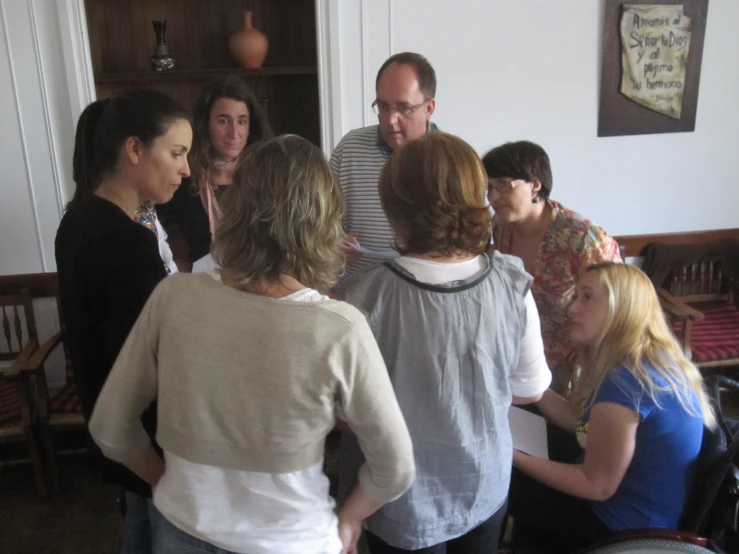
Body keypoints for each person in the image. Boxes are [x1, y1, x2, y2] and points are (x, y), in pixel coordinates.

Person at [88, 135, 416, 554]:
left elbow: (109, 427)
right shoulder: (339, 327)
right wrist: (351, 517)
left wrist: (163, 480)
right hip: (293, 540)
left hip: (182, 528)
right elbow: (396, 466)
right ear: (323, 219)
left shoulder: (173, 297)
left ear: (237, 208)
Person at [338, 132, 552, 553]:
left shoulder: (368, 299)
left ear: (395, 207)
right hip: (485, 484)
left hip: (402, 500)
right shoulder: (511, 283)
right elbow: (530, 389)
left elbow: (348, 416)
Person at [55, 89, 192, 554]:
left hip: (111, 420)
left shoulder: (76, 220)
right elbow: (159, 359)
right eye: (176, 153)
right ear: (134, 150)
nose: (185, 169)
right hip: (146, 435)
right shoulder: (128, 244)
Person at [509, 262, 717, 553]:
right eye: (576, 296)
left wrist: (507, 453)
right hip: (632, 504)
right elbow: (579, 421)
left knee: (512, 485)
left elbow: (596, 485)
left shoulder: (627, 381)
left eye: (587, 297)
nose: (572, 309)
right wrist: (529, 383)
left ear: (622, 309)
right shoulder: (645, 357)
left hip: (624, 529)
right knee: (530, 420)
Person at [483, 141, 622, 395]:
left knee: (571, 435)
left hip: (572, 372)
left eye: (503, 185)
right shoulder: (501, 226)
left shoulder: (584, 238)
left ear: (535, 184)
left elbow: (616, 311)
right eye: (489, 187)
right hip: (519, 361)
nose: (493, 197)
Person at [330, 52, 438, 298]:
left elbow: (474, 238)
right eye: (383, 106)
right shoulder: (350, 148)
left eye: (403, 108)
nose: (390, 120)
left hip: (425, 304)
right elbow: (319, 220)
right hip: (356, 302)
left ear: (429, 108)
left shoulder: (450, 161)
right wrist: (333, 243)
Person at [157, 75, 273, 266]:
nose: (234, 133)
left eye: (242, 121)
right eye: (223, 121)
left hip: (260, 285)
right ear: (205, 124)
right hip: (203, 287)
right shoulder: (184, 178)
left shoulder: (266, 177)